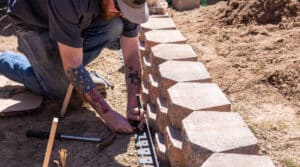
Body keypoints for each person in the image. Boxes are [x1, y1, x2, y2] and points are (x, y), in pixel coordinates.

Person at [0, 0, 149, 133]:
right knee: (59, 89)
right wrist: (109, 115)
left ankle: (56, 64)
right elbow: (73, 68)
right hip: (36, 23)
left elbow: (131, 55)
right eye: (119, 7)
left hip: (71, 17)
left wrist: (132, 104)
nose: (123, 14)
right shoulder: (69, 3)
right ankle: (5, 60)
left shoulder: (126, 4)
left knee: (116, 24)